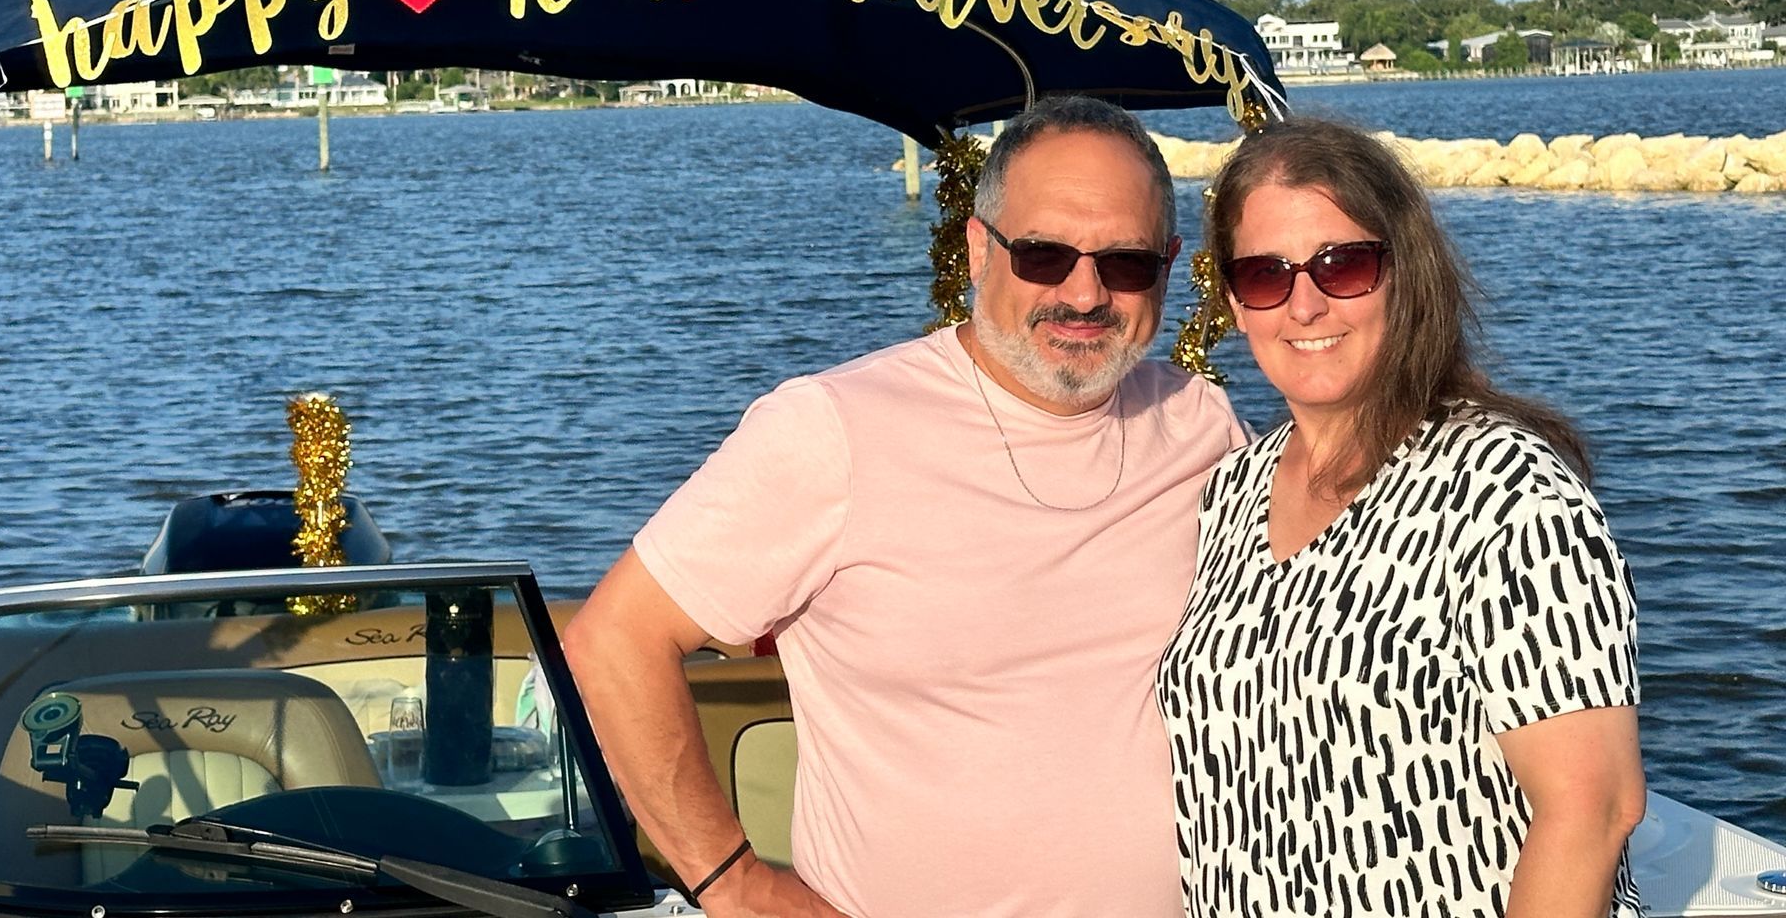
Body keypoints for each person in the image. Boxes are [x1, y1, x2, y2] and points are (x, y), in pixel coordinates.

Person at [565, 95, 1247, 918]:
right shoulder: (833, 428)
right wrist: (734, 885)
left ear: (1169, 265)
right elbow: (615, 642)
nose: (1084, 292)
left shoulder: (1202, 425)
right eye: (1043, 255)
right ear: (979, 249)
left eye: (1125, 262)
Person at [1158, 117, 1644, 918]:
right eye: (1265, 275)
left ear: (1404, 273)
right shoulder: (1233, 490)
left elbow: (1593, 808)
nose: (1305, 305)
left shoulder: (1505, 493)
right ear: (1235, 304)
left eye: (1342, 265)